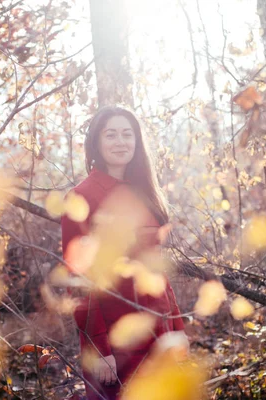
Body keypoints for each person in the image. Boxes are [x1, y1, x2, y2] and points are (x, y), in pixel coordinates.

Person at [61, 106, 188, 400]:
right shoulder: (81, 197)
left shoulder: (144, 191)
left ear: (137, 141)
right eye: (111, 134)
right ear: (97, 142)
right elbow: (78, 280)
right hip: (116, 342)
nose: (121, 142)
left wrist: (177, 328)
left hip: (159, 332)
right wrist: (100, 348)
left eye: (127, 134)